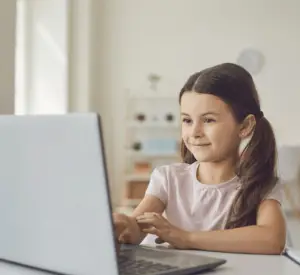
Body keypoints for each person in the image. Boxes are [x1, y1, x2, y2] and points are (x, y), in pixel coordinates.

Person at [113, 62, 286, 255]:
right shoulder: (168, 178)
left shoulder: (260, 184)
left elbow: (272, 239)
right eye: (187, 120)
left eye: (208, 120)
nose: (194, 132)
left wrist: (186, 238)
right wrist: (124, 226)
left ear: (244, 126)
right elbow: (137, 228)